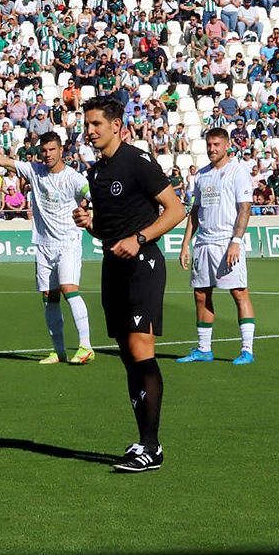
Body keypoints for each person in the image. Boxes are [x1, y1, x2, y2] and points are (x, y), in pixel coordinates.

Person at [72, 97, 186, 472]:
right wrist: (91, 224)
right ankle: (144, 440)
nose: (89, 131)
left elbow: (176, 210)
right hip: (112, 267)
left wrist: (138, 238)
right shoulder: (97, 172)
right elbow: (108, 228)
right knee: (127, 356)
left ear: (117, 125)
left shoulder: (138, 161)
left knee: (141, 351)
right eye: (87, 125)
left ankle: (151, 447)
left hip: (143, 265)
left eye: (96, 125)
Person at [0, 130, 95, 365]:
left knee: (69, 288)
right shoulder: (34, 170)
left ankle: (86, 346)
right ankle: (59, 351)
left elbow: (89, 192)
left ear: (61, 151)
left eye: (52, 150)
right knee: (49, 296)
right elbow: (3, 160)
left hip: (68, 241)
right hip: (43, 244)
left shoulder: (73, 177)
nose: (47, 154)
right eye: (43, 150)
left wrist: (87, 205)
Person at [178, 128, 258, 365]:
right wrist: (185, 245)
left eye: (216, 145)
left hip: (227, 242)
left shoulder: (238, 172)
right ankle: (204, 349)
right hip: (204, 243)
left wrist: (236, 241)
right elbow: (194, 212)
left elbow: (245, 209)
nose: (212, 149)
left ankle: (247, 349)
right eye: (209, 145)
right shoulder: (201, 175)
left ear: (226, 146)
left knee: (239, 292)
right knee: (201, 294)